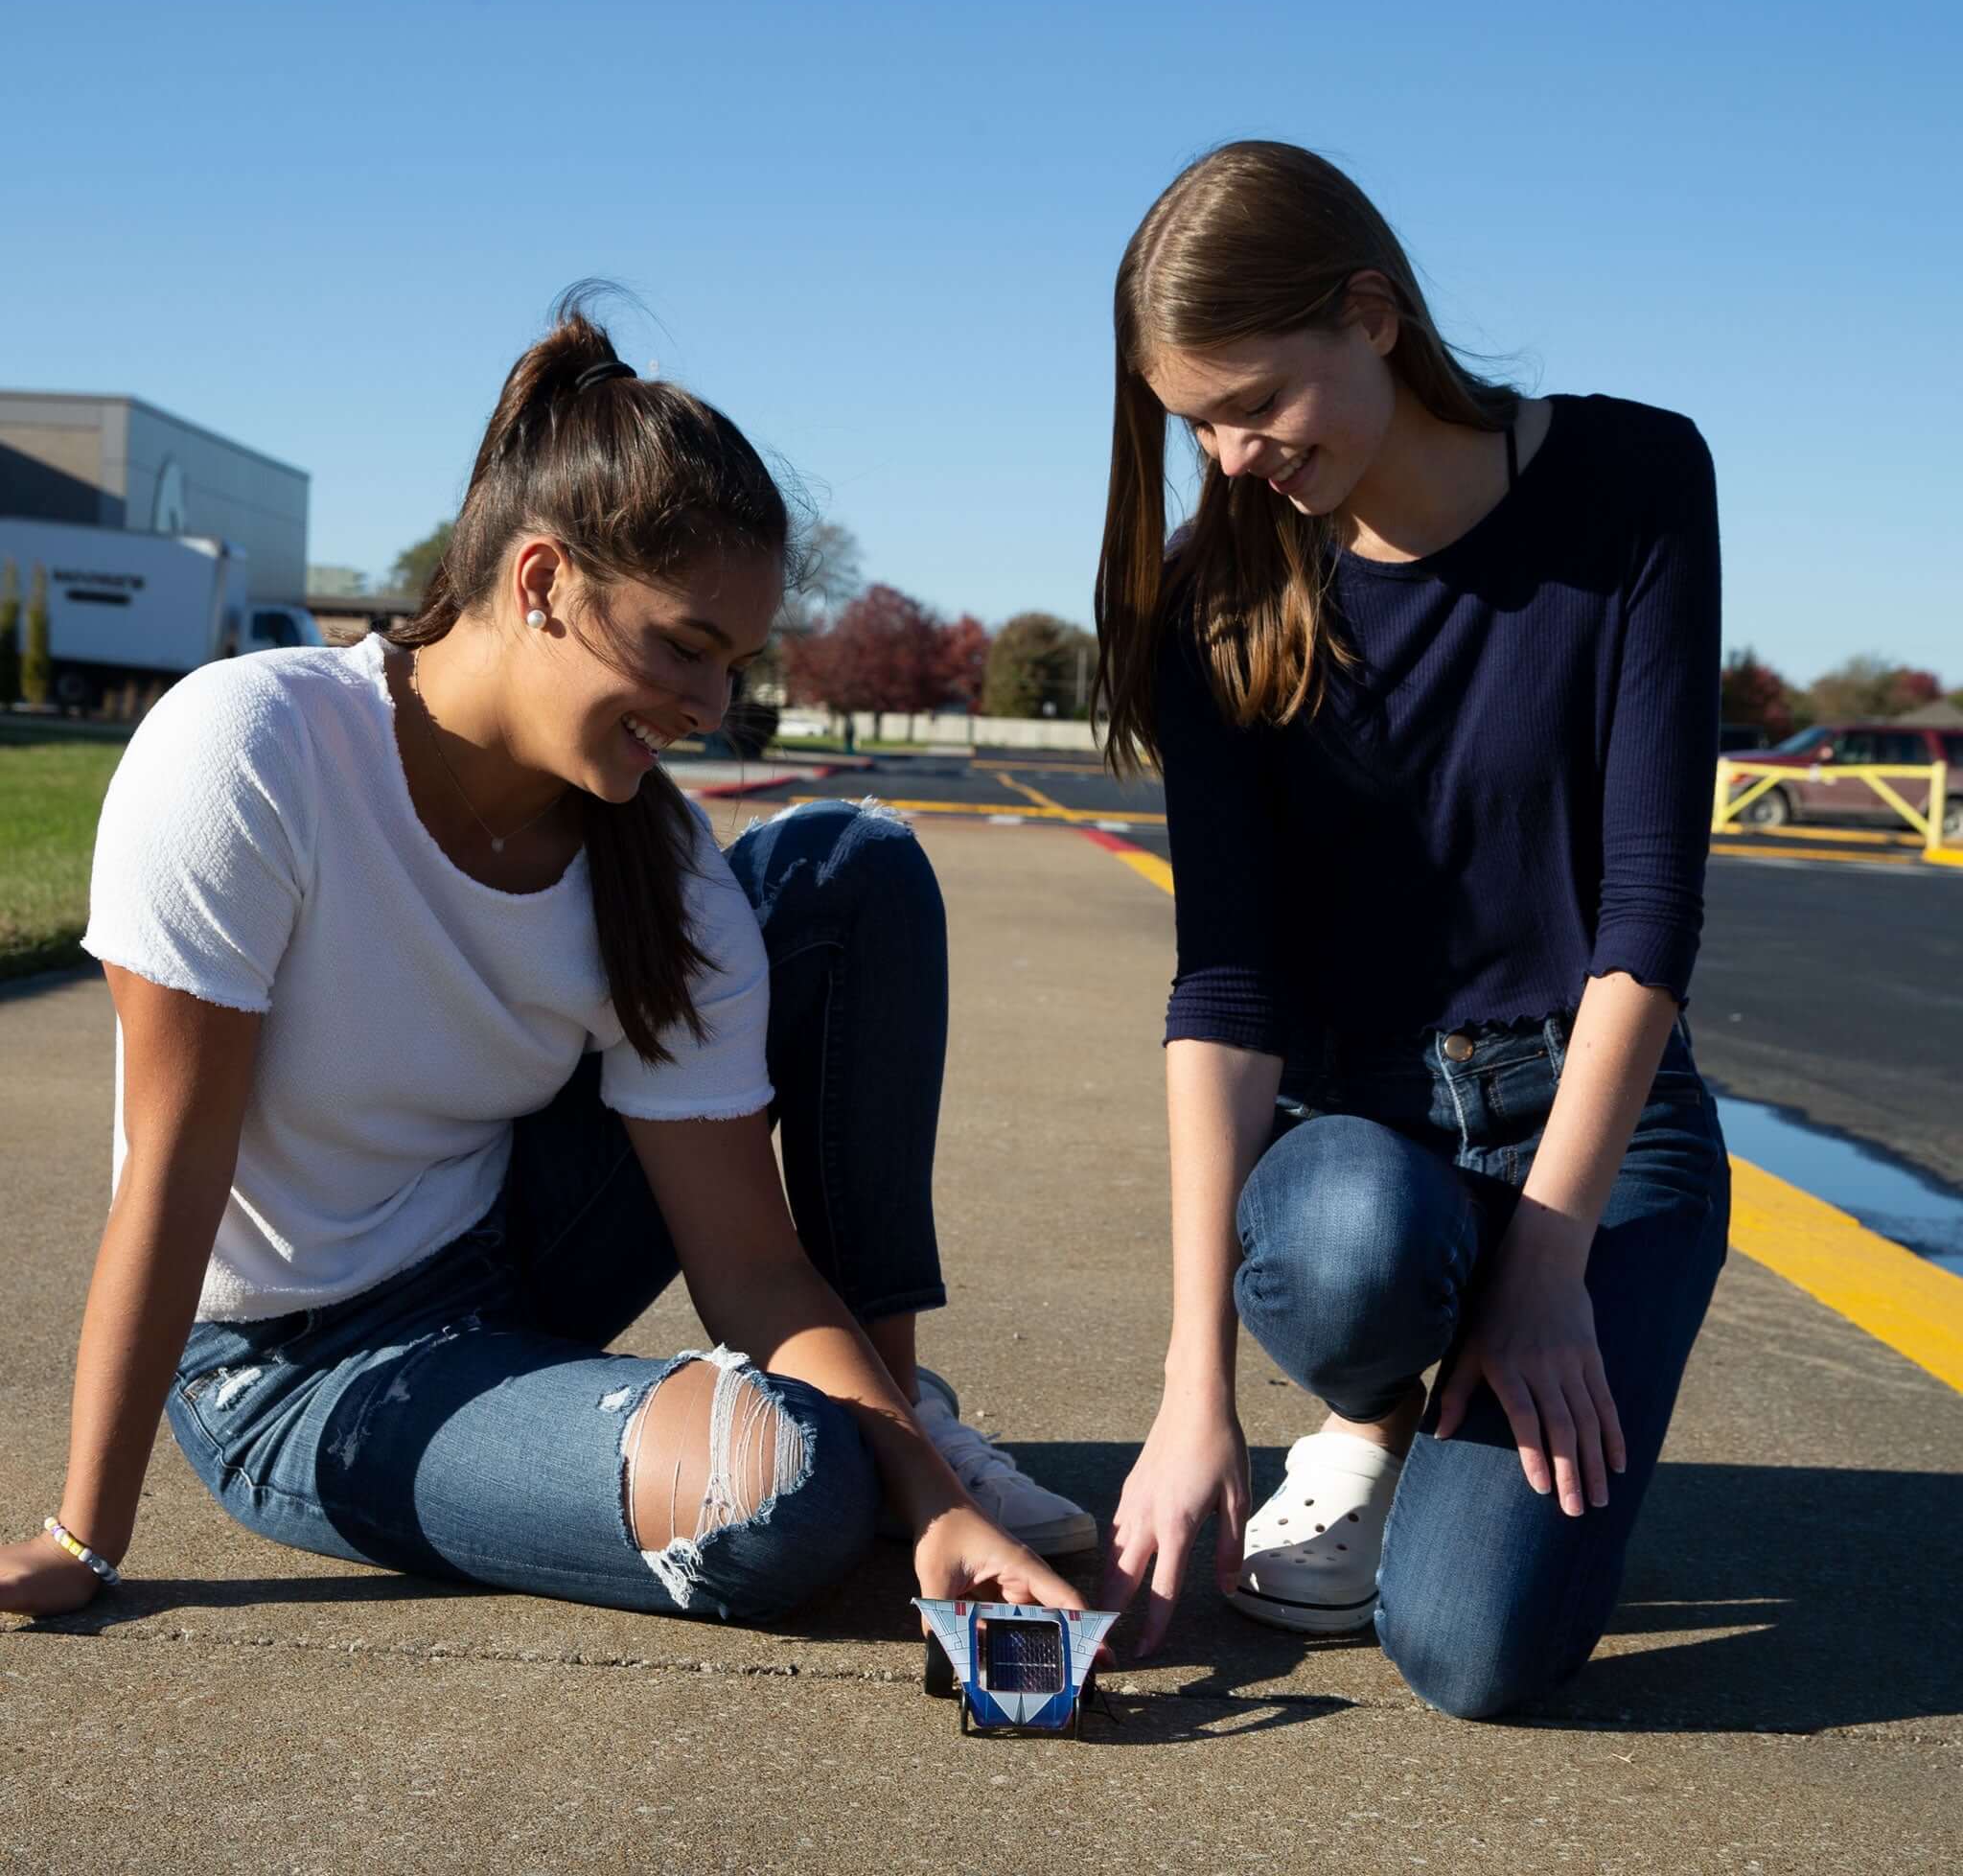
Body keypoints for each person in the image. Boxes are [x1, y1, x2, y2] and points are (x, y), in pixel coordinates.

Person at [1, 293, 1094, 1628]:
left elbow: (748, 1263)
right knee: (780, 1493)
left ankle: (891, 1418)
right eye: (686, 646)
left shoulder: (666, 870)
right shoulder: (255, 751)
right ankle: (838, 1440)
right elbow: (176, 1170)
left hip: (509, 1252)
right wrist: (82, 1534)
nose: (709, 709)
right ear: (540, 583)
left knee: (847, 868)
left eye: (736, 664)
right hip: (296, 1370)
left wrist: (934, 1497)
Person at [1094, 143, 1728, 1720]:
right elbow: (1226, 990)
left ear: (1372, 315)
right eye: (1196, 426)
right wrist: (1195, 1402)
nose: (1231, 458)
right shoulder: (1218, 598)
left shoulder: (1637, 482)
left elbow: (1647, 922)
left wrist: (1549, 1265)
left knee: (1470, 1648)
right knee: (1349, 1241)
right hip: (1361, 1142)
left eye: (1255, 407)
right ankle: (1376, 1409)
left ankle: (1450, 1424)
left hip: (1603, 1123)